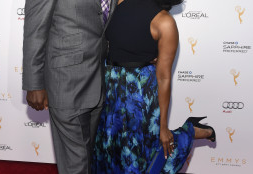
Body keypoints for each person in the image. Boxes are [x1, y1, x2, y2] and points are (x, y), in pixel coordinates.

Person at [92, 0, 216, 173]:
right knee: (106, 151)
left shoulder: (165, 22)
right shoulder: (117, 3)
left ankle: (191, 131)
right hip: (110, 90)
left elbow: (164, 77)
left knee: (138, 157)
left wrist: (163, 127)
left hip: (139, 98)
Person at [22, 0, 117, 173]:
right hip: (66, 83)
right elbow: (35, 29)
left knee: (86, 160)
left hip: (98, 81)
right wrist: (34, 84)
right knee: (76, 165)